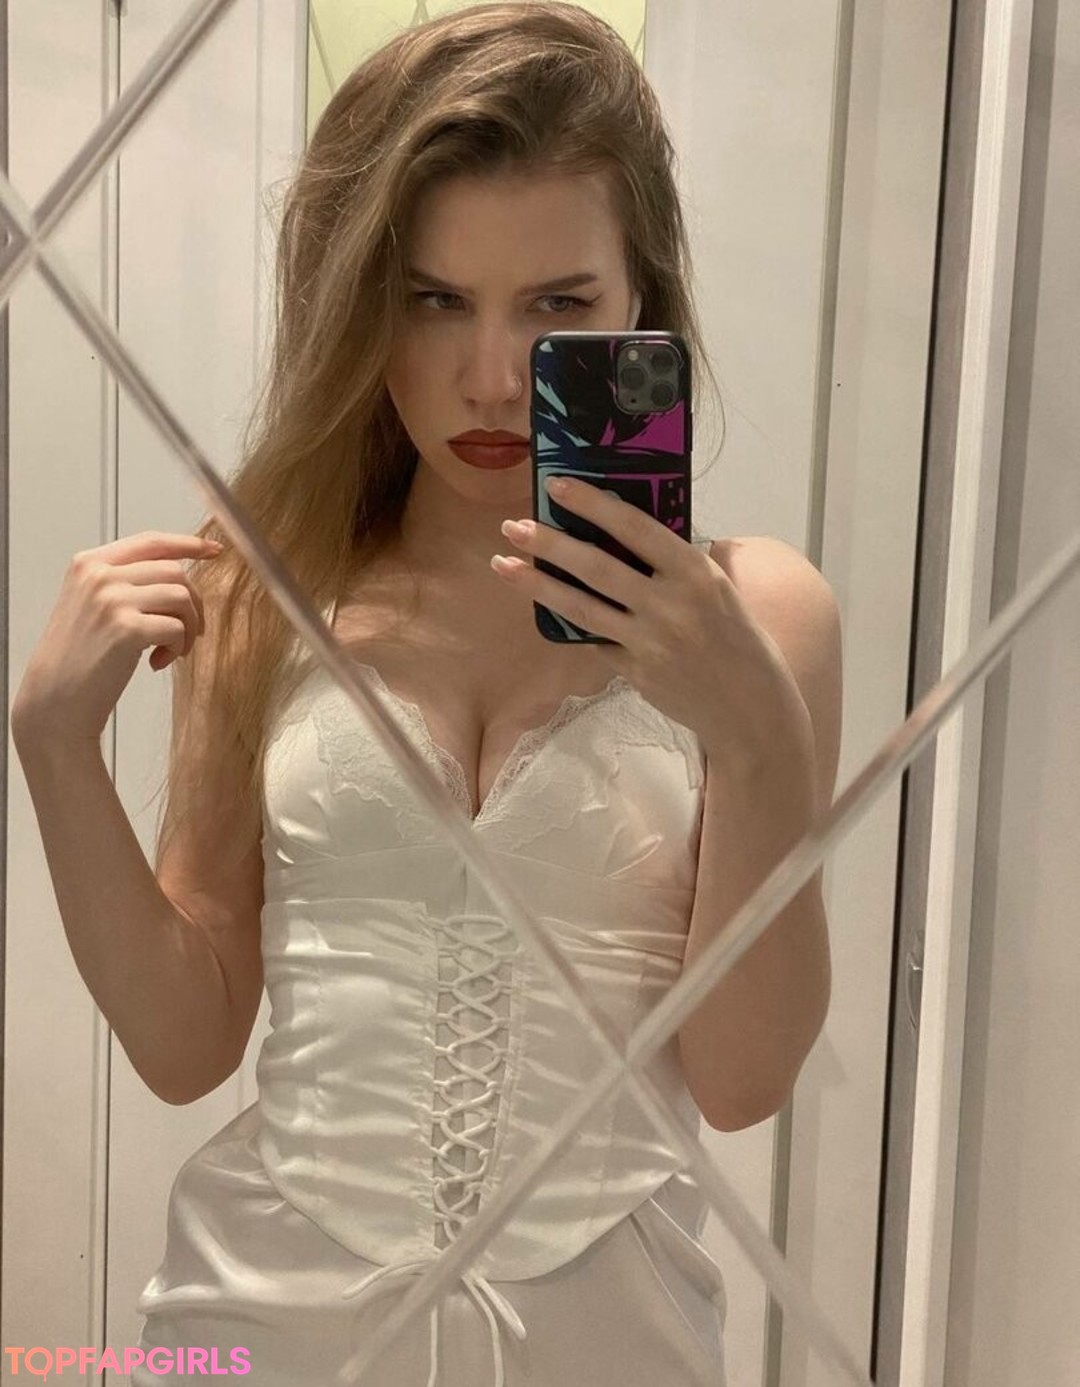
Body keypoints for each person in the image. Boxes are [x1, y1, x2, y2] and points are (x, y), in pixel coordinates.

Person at [11, 4, 839, 1384]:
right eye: (432, 299)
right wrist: (51, 746)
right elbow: (183, 1041)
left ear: (642, 305)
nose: (492, 377)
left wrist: (757, 739)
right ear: (359, 305)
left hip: (613, 1343)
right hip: (259, 1320)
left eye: (559, 305)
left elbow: (744, 1081)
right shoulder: (264, 586)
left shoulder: (758, 614)